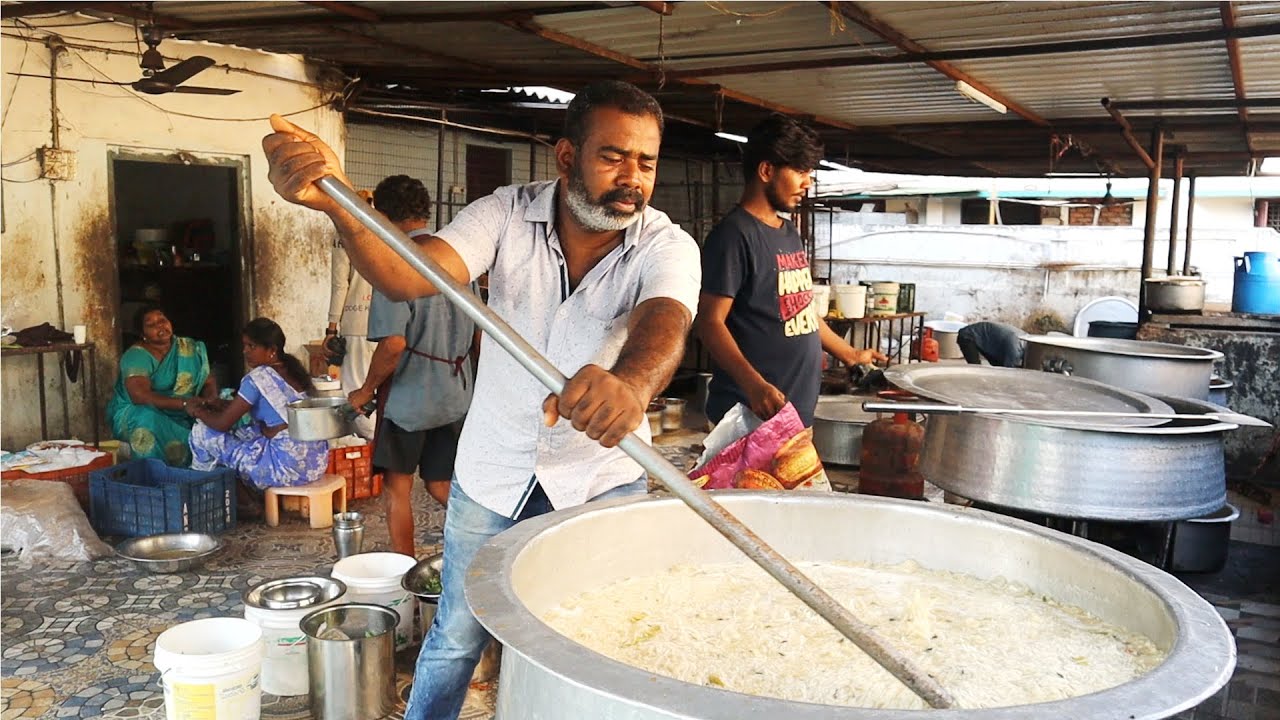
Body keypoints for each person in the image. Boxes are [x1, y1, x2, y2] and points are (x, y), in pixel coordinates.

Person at [263, 79, 700, 720]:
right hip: (494, 468)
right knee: (457, 637)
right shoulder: (504, 213)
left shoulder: (665, 243)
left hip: (598, 477)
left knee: (595, 637)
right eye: (613, 156)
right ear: (566, 156)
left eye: (646, 162)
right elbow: (408, 273)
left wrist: (631, 384)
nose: (632, 177)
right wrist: (336, 204)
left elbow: (667, 320)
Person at [695, 113, 885, 428]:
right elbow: (709, 322)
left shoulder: (788, 232)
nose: (807, 183)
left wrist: (851, 354)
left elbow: (802, 312)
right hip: (749, 415)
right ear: (766, 170)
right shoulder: (733, 236)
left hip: (793, 413)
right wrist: (753, 385)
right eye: (799, 171)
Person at [346, 174, 478, 557]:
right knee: (440, 484)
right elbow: (477, 335)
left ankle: (406, 572)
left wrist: (365, 389)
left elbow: (393, 344)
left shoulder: (395, 264)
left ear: (381, 216)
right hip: (455, 396)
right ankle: (489, 541)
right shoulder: (457, 261)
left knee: (396, 488)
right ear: (425, 212)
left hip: (410, 404)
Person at [187, 318, 329, 492]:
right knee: (248, 431)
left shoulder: (257, 378)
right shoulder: (293, 371)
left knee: (201, 432)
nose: (245, 351)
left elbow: (222, 424)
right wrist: (218, 404)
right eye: (244, 345)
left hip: (285, 468)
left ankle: (216, 497)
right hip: (315, 464)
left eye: (251, 346)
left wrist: (196, 410)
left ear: (272, 350)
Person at [106, 305, 217, 466]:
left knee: (235, 412)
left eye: (162, 320)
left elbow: (208, 381)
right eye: (151, 325)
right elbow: (139, 396)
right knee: (147, 419)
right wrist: (184, 404)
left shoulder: (188, 348)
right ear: (142, 334)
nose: (160, 326)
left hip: (189, 410)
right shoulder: (136, 355)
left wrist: (210, 401)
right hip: (141, 411)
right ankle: (155, 475)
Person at [325, 189, 378, 439]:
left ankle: (372, 446)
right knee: (380, 389)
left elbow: (340, 285)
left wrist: (331, 329)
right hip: (389, 324)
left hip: (356, 323)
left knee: (357, 393)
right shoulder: (386, 232)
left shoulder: (343, 234)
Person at [956, 321, 1028, 368]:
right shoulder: (1015, 349)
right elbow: (1009, 370)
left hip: (985, 336)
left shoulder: (1025, 338)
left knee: (998, 366)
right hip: (968, 336)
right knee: (976, 368)